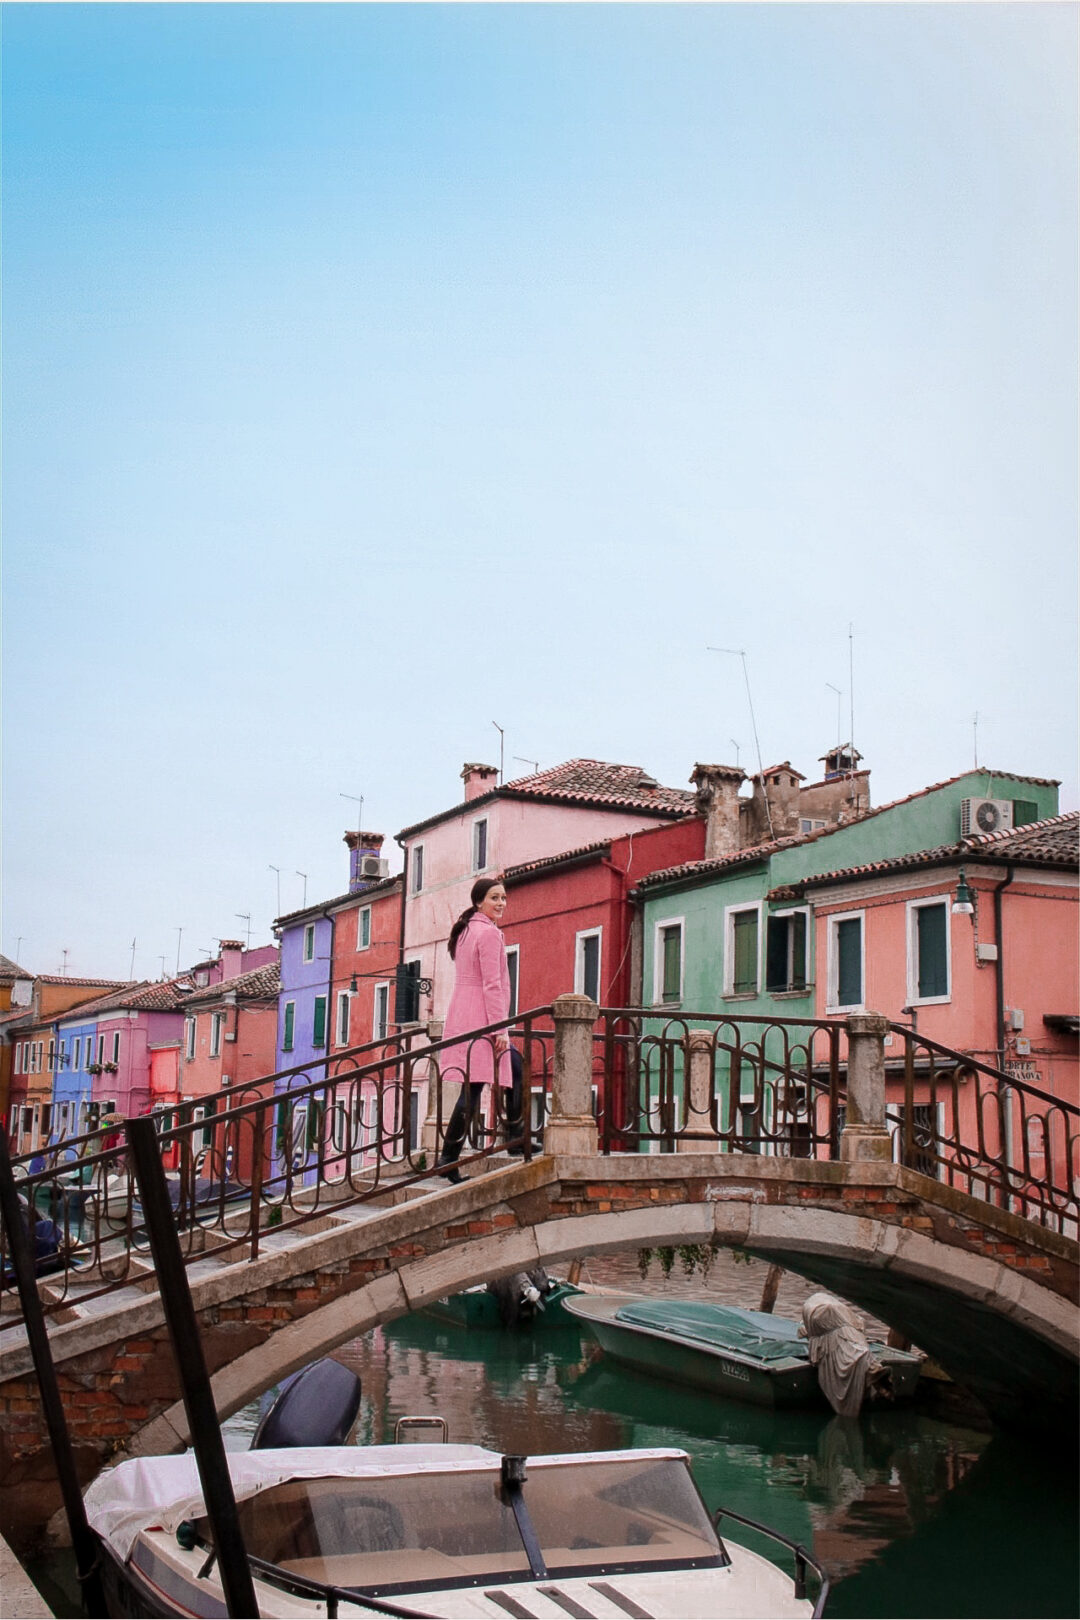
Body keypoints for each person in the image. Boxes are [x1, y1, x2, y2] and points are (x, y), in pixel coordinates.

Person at [436, 877, 522, 1183]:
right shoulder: (488, 934)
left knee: (511, 1067)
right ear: (479, 901)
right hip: (482, 1017)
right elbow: (492, 983)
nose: (501, 903)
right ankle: (449, 1157)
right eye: (494, 898)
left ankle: (514, 1136)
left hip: (464, 1011)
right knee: (473, 1089)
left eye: (503, 898)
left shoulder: (465, 929)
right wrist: (500, 1029)